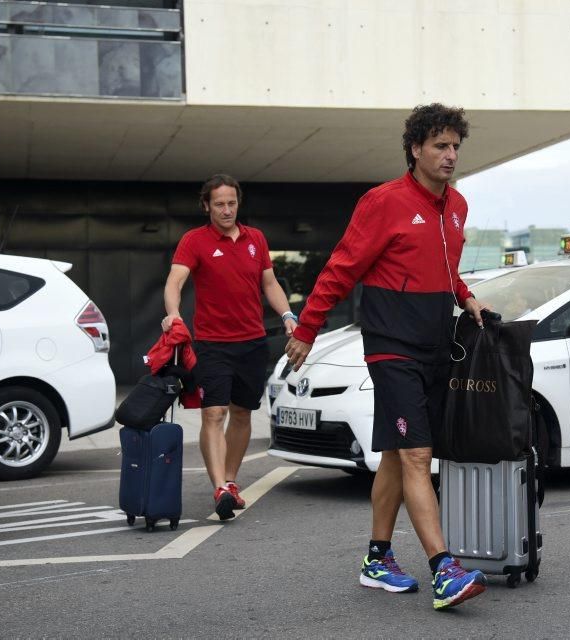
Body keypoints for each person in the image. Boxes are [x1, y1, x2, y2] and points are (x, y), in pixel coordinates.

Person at [285, 104, 489, 611]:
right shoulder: (383, 202)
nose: (450, 155)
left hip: (436, 343)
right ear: (415, 149)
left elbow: (446, 268)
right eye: (440, 145)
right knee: (418, 454)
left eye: (455, 146)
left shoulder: (458, 205)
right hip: (391, 344)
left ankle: (378, 559)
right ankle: (444, 569)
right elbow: (340, 267)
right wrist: (308, 328)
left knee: (399, 454)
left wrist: (466, 296)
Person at [162, 174, 297, 520]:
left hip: (252, 342)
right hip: (212, 344)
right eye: (219, 204)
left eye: (232, 203)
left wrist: (287, 315)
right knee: (214, 412)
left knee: (241, 413)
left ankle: (232, 482)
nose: (226, 210)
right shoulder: (195, 241)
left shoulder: (256, 239)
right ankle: (219, 485)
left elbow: (269, 283)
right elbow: (175, 281)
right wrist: (174, 315)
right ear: (206, 205)